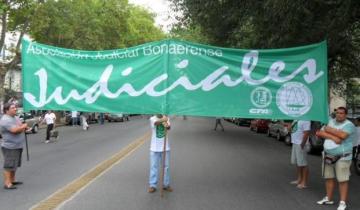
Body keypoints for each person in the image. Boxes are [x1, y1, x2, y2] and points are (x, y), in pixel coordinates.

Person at [316, 107, 355, 210]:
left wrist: (328, 130)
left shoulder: (349, 125)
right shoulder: (330, 121)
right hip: (328, 155)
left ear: (345, 115)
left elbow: (342, 135)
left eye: (341, 113)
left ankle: (342, 203)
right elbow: (319, 133)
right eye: (337, 113)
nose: (339, 115)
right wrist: (333, 137)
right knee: (329, 177)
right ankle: (328, 198)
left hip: (342, 157)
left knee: (343, 180)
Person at [0, 103, 29, 189]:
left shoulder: (15, 117)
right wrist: (24, 126)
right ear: (6, 110)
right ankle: (7, 183)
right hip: (10, 146)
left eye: (15, 108)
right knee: (9, 165)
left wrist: (25, 127)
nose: (15, 109)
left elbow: (20, 126)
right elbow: (14, 130)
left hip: (17, 145)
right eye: (13, 108)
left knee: (14, 164)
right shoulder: (5, 120)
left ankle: (12, 180)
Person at [148, 114, 172, 193]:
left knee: (166, 167)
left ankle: (166, 185)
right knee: (153, 167)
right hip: (154, 148)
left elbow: (168, 128)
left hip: (165, 147)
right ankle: (152, 185)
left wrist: (166, 122)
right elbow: (156, 123)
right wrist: (164, 119)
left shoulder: (166, 118)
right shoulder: (152, 118)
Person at [289, 120, 310, 189]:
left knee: (303, 164)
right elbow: (292, 129)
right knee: (299, 163)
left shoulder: (306, 119)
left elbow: (306, 133)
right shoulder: (296, 118)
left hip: (300, 144)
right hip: (295, 143)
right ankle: (299, 179)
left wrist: (302, 144)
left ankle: (304, 182)